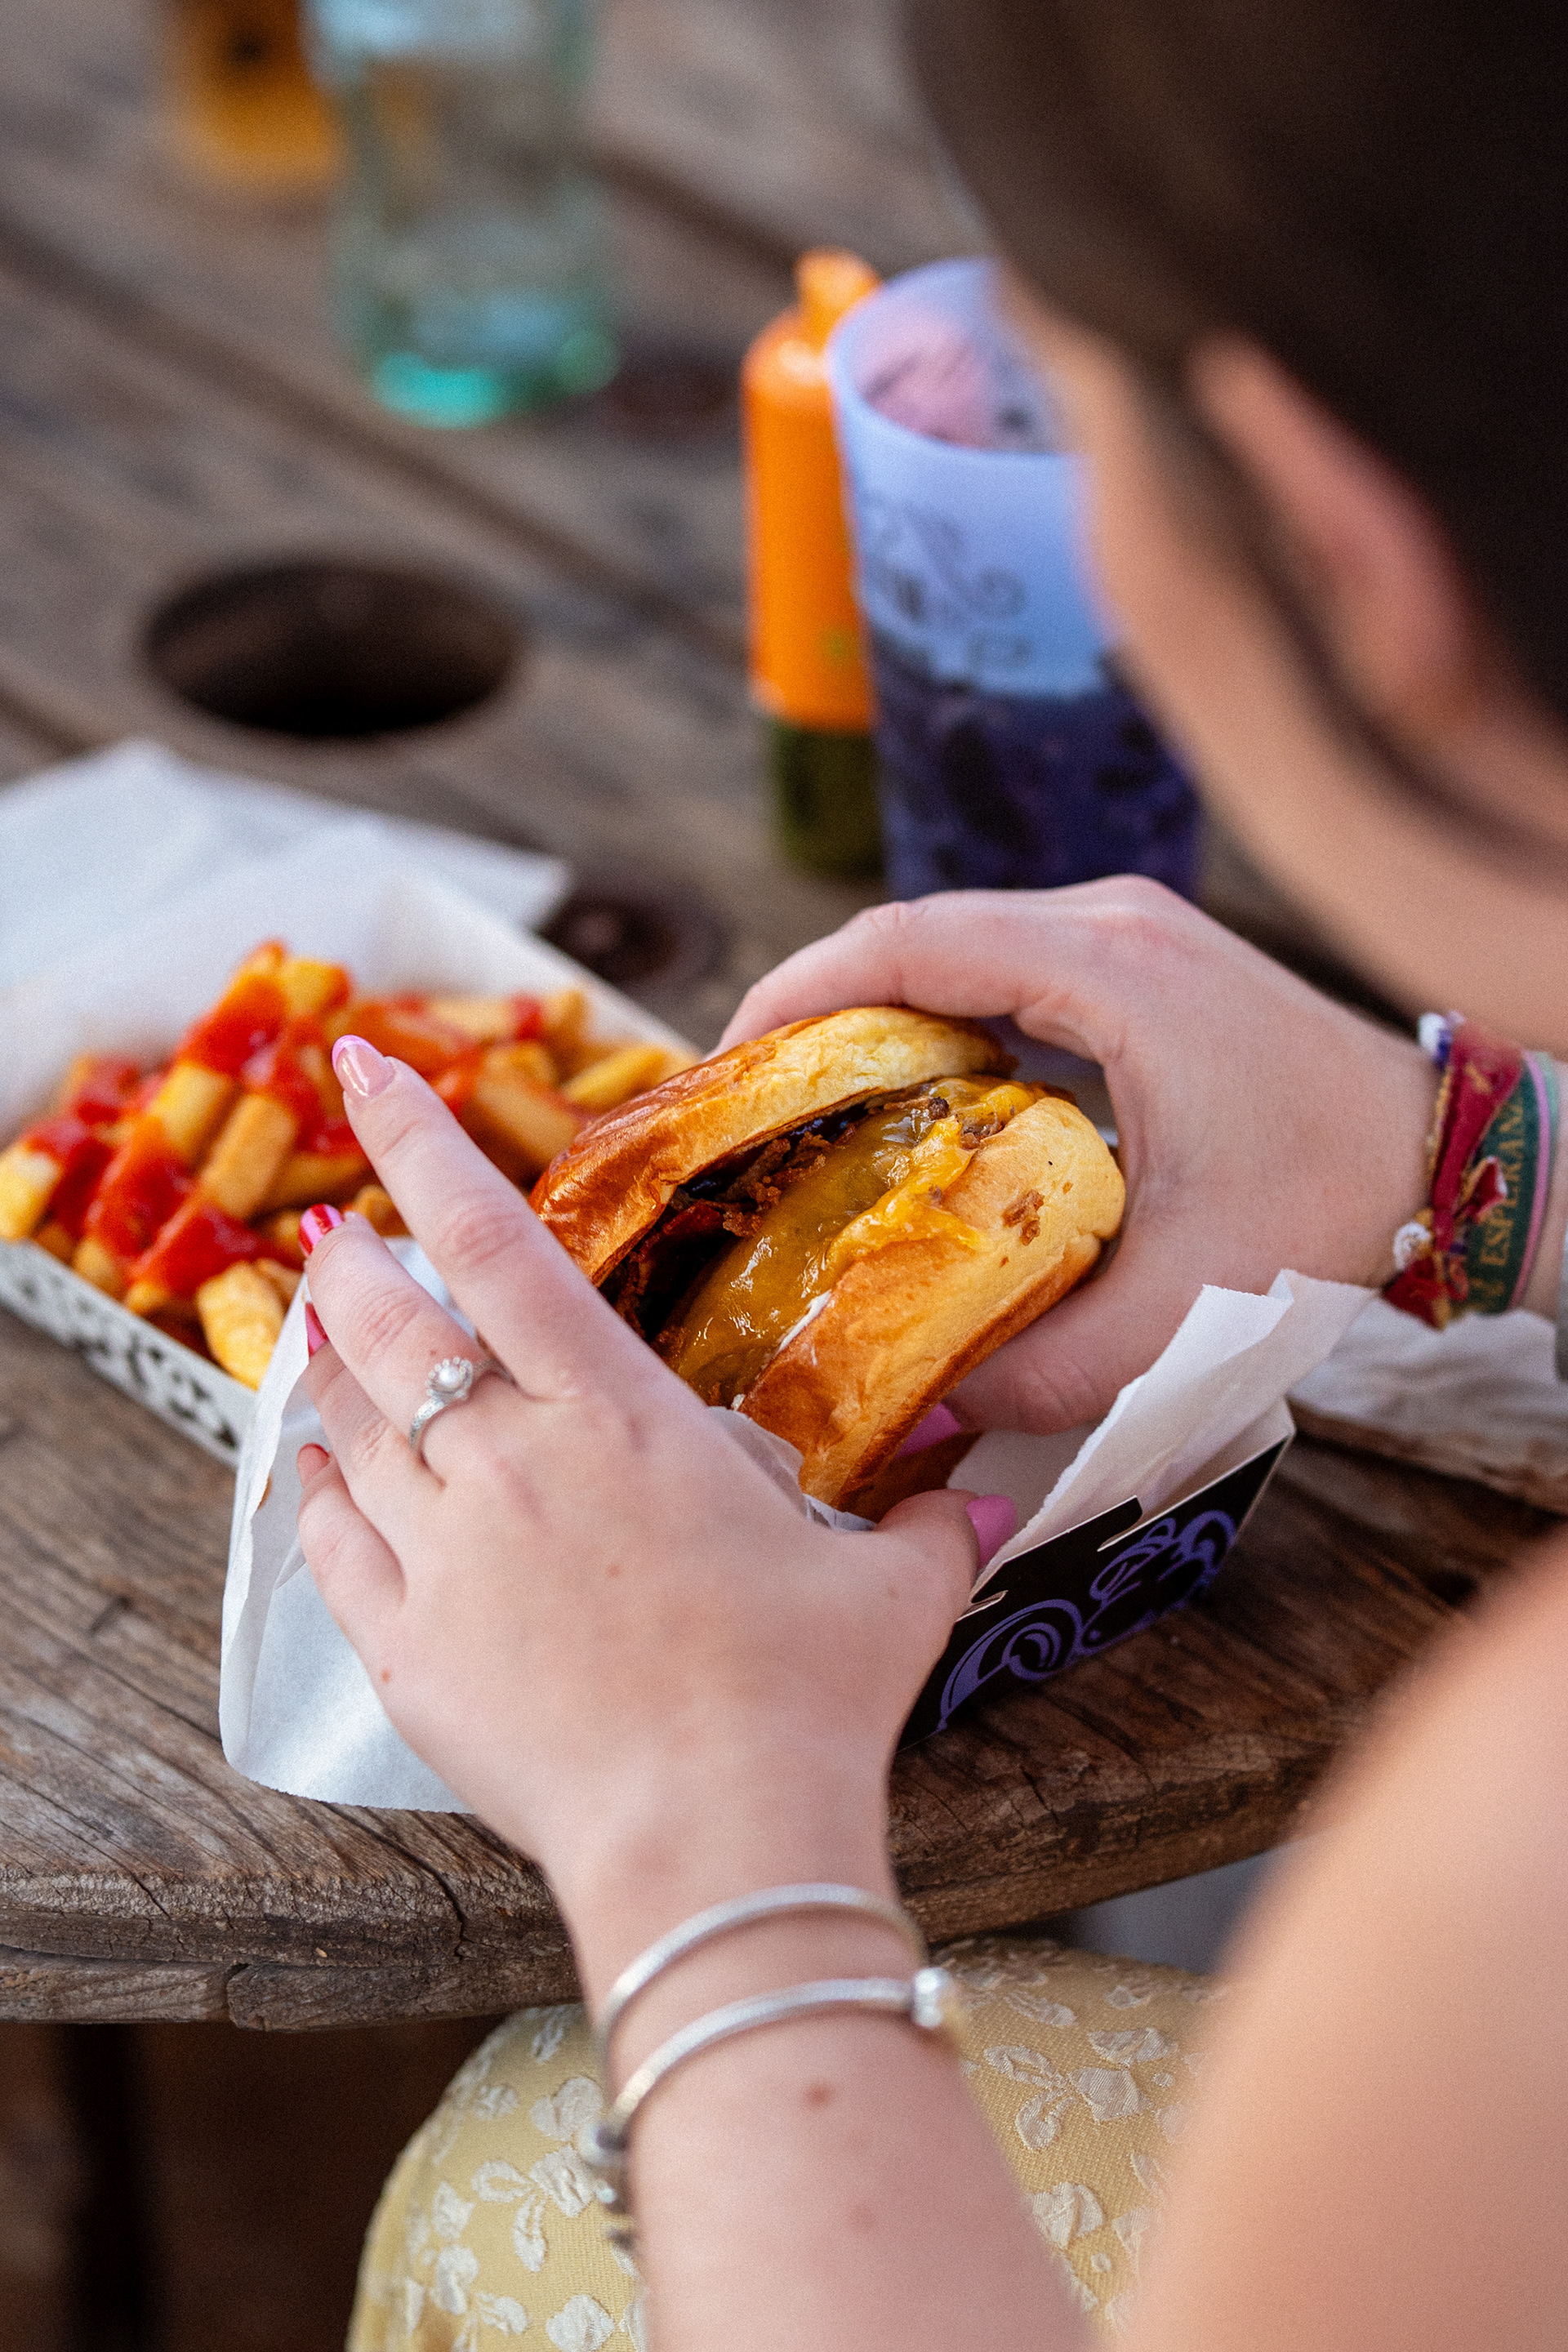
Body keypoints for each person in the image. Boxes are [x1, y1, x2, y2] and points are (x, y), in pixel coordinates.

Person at [299, 2, 1568, 2344]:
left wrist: (709, 1841)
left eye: (1069, 407)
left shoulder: (1502, 1876)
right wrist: (1466, 1157)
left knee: (510, 2179)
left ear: (1328, 541)